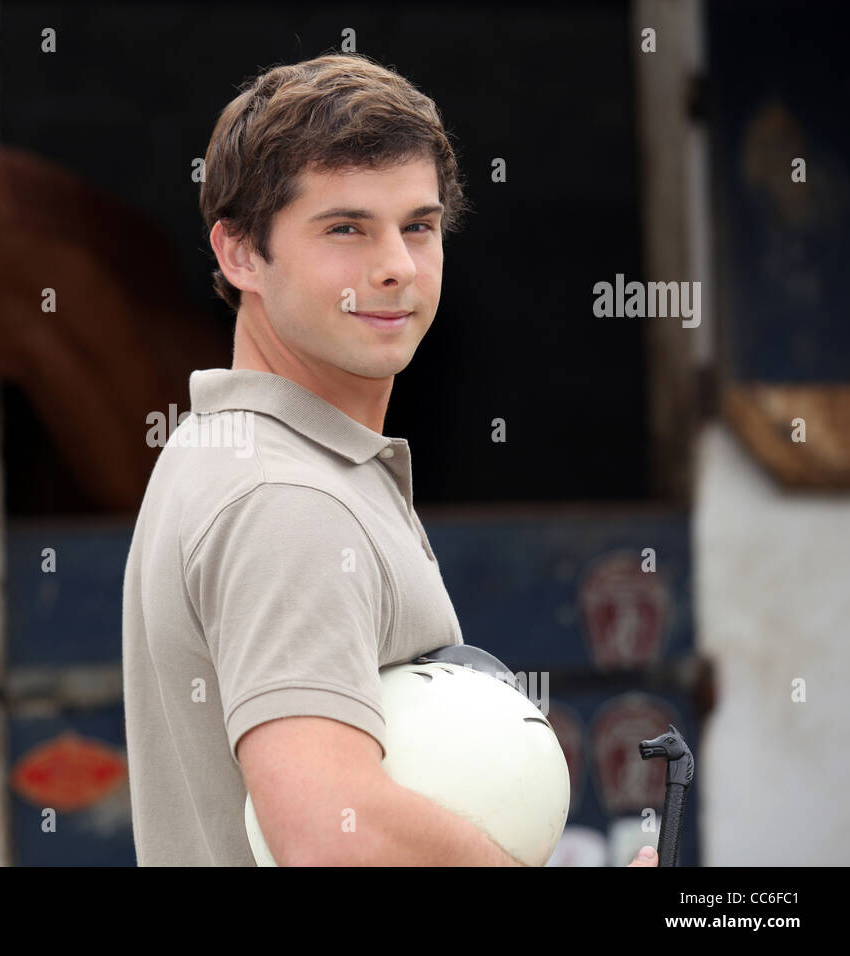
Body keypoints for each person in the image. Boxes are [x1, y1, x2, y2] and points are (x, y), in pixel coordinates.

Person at [121, 51, 658, 868]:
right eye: (345, 228)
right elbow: (328, 829)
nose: (397, 266)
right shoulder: (285, 496)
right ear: (239, 255)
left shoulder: (231, 452)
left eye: (419, 225)